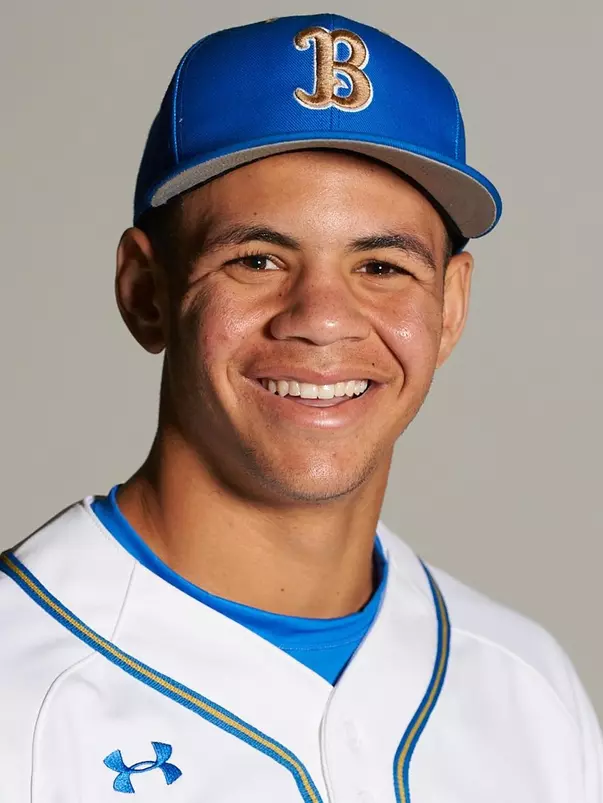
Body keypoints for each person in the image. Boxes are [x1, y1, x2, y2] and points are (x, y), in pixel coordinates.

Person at [0, 13, 601, 803]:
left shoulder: (528, 688)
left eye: (381, 266)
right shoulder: (19, 682)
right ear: (145, 291)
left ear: (450, 306)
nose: (320, 317)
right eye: (257, 258)